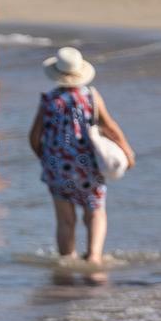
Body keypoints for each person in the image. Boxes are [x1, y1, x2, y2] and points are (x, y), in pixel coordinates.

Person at [30, 47, 135, 268]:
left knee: (65, 219)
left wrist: (45, 158)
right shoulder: (91, 97)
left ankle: (67, 262)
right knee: (95, 211)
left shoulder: (49, 100)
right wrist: (126, 149)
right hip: (87, 166)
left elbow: (34, 136)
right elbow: (109, 126)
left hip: (58, 168)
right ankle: (95, 257)